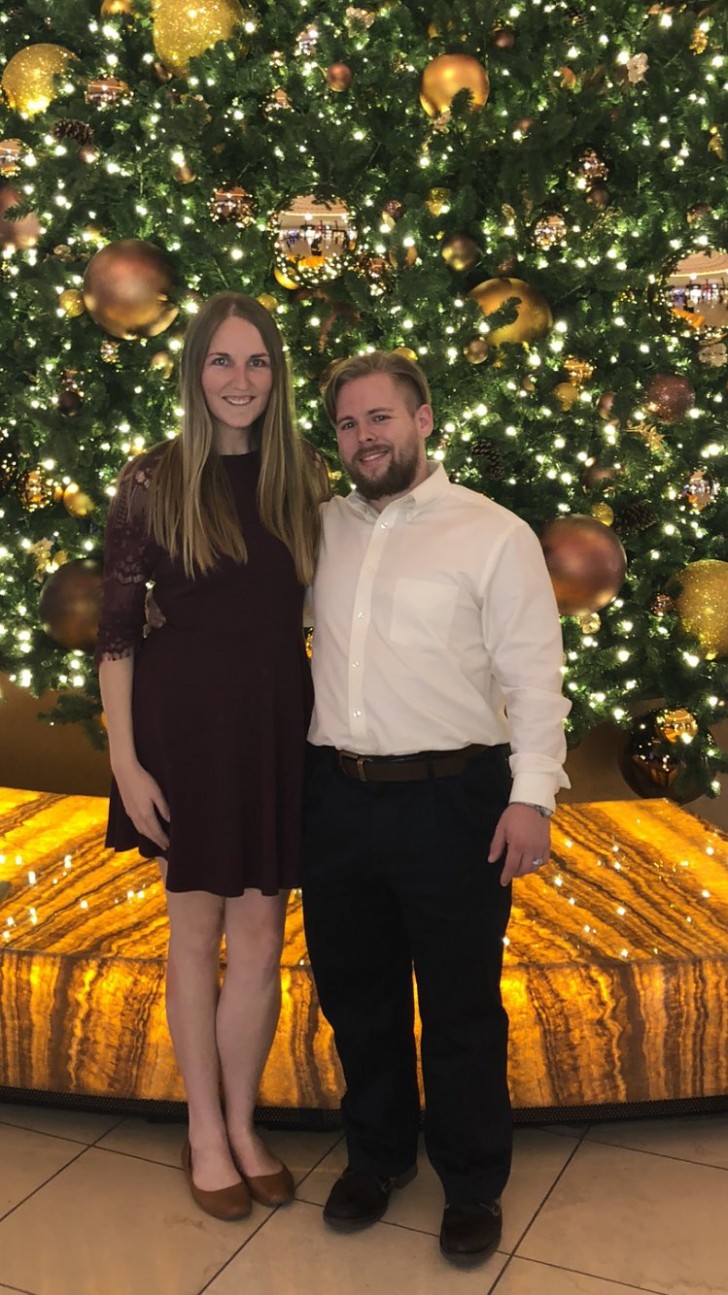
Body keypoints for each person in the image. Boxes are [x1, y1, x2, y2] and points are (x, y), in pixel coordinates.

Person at [301, 350, 570, 1265]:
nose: (363, 436)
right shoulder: (320, 530)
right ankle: (377, 1157)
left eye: (380, 417)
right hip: (336, 798)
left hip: (455, 798)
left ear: (422, 420)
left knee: (459, 1004)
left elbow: (535, 676)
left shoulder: (493, 534)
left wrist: (531, 798)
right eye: (346, 422)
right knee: (357, 995)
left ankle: (470, 1179)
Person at [96, 292, 327, 1222]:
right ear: (196, 372)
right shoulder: (151, 478)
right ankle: (203, 1130)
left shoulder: (302, 474)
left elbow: (319, 610)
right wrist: (125, 760)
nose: (241, 380)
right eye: (223, 362)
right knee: (193, 936)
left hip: (274, 723)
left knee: (263, 938)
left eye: (258, 362)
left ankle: (241, 1120)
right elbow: (115, 636)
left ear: (278, 374)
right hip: (179, 730)